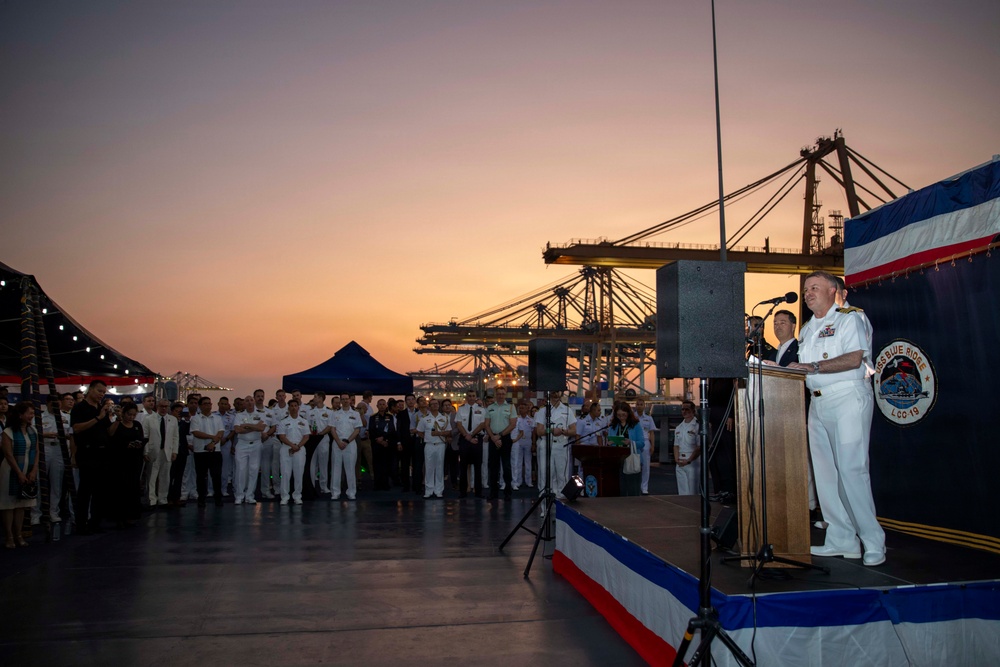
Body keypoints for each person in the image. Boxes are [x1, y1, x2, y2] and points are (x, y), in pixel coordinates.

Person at [789, 271, 886, 567]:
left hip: (847, 399)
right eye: (806, 289)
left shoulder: (850, 318)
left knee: (851, 471)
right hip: (817, 403)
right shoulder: (807, 329)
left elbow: (855, 358)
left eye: (814, 287)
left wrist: (812, 366)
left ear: (834, 291)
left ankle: (873, 541)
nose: (807, 293)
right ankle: (841, 539)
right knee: (826, 475)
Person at [71, 380, 113, 534]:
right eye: (99, 391)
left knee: (99, 491)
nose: (101, 394)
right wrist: (98, 418)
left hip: (103, 453)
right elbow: (76, 428)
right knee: (85, 491)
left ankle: (95, 522)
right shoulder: (79, 407)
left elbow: (109, 431)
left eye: (104, 392)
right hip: (87, 453)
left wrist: (117, 419)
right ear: (90, 390)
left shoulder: (102, 409)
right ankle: (81, 523)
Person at [2, 401, 39, 548]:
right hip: (11, 470)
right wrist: (18, 472)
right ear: (20, 415)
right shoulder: (8, 432)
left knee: (22, 505)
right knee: (9, 505)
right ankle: (9, 536)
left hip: (28, 469)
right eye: (29, 413)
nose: (32, 416)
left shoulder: (33, 431)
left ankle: (19, 534)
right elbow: (8, 454)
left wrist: (34, 470)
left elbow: (36, 451)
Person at [108, 402, 145, 527]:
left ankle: (131, 514)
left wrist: (138, 445)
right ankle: (119, 515)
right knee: (120, 488)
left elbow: (141, 437)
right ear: (124, 413)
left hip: (134, 459)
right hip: (120, 460)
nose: (131, 417)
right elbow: (110, 436)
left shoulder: (137, 425)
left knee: (133, 487)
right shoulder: (118, 424)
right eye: (129, 414)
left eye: (134, 415)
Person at [534, 391, 574, 499]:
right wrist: (551, 430)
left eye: (558, 391)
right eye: (553, 391)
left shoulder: (567, 410)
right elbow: (539, 431)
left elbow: (573, 430)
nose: (556, 394)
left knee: (562, 477)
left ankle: (561, 508)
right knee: (545, 477)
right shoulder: (542, 411)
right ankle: (544, 507)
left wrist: (564, 431)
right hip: (546, 444)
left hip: (561, 444)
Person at [143, 399, 179, 509]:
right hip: (153, 451)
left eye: (166, 406)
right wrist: (146, 451)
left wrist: (174, 451)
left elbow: (175, 437)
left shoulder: (173, 420)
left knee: (165, 476)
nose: (164, 409)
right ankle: (151, 499)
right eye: (162, 406)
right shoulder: (148, 419)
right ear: (157, 407)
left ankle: (163, 498)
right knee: (152, 476)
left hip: (167, 451)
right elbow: (145, 436)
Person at [190, 396, 225, 508]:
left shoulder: (217, 418)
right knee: (201, 477)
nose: (208, 405)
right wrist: (212, 437)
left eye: (209, 403)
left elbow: (220, 433)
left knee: (216, 476)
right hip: (200, 452)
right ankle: (201, 499)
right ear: (200, 406)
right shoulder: (196, 418)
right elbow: (196, 433)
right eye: (205, 403)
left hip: (215, 451)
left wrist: (213, 442)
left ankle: (218, 499)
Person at [232, 395, 266, 504]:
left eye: (251, 400)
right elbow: (237, 430)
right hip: (242, 444)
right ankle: (239, 495)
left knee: (254, 470)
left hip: (256, 444)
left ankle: (250, 495)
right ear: (244, 404)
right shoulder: (239, 415)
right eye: (247, 401)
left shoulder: (261, 414)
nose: (250, 402)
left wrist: (246, 425)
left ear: (254, 402)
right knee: (241, 470)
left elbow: (261, 428)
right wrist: (254, 427)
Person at [484, 386, 516, 502]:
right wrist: (493, 437)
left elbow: (513, 424)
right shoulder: (490, 407)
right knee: (493, 467)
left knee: (506, 466)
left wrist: (500, 436)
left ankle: (508, 492)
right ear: (495, 394)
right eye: (499, 393)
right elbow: (486, 424)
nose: (501, 395)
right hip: (493, 438)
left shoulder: (511, 407)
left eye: (503, 393)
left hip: (505, 438)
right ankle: (493, 492)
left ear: (505, 394)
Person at [275, 398, 309, 505]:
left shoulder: (304, 421)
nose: (294, 408)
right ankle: (284, 496)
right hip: (286, 448)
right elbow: (281, 436)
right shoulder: (283, 421)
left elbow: (306, 436)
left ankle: (297, 496)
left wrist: (297, 446)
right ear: (288, 408)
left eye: (295, 406)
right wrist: (292, 446)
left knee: (299, 473)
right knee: (285, 473)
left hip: (299, 448)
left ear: (298, 407)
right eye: (292, 406)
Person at [608, 402, 645, 497]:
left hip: (631, 458)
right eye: (619, 415)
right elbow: (610, 440)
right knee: (620, 488)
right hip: (618, 460)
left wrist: (630, 442)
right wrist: (610, 443)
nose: (621, 417)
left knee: (633, 488)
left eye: (623, 415)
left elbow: (641, 443)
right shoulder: (613, 426)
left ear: (628, 413)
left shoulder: (635, 425)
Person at [330, 393, 362, 500]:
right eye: (342, 399)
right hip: (337, 443)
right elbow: (332, 429)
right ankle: (335, 492)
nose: (345, 401)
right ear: (340, 401)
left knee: (350, 469)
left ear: (350, 400)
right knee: (336, 469)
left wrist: (347, 441)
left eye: (347, 399)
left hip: (350, 444)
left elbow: (357, 430)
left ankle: (351, 492)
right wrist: (338, 441)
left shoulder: (356, 414)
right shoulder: (335, 414)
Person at [455, 390, 486, 498]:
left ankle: (478, 492)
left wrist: (472, 434)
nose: (471, 398)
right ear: (466, 397)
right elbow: (459, 424)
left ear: (476, 397)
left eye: (473, 396)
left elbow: (482, 424)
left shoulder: (481, 409)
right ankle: (463, 492)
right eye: (469, 396)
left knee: (478, 467)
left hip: (477, 439)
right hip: (464, 439)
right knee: (463, 466)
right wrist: (467, 436)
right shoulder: (461, 409)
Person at [418, 398, 450, 498]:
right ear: (429, 406)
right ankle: (429, 490)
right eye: (432, 404)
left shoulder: (444, 418)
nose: (435, 405)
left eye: (436, 404)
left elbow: (449, 431)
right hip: (429, 445)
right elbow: (419, 431)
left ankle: (439, 490)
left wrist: (439, 433)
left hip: (440, 445)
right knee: (429, 468)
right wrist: (428, 438)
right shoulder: (424, 418)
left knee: (440, 468)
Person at [673, 401, 701, 495]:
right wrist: (677, 459)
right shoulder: (679, 427)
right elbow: (676, 445)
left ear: (693, 411)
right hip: (680, 460)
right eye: (683, 409)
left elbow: (699, 447)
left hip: (692, 461)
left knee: (693, 492)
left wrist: (689, 460)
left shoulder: (697, 426)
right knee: (682, 493)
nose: (684, 411)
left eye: (687, 409)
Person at [369, 399, 396, 491]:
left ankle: (385, 484)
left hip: (386, 443)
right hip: (376, 444)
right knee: (377, 464)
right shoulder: (372, 417)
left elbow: (392, 429)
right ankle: (377, 484)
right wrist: (379, 440)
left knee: (386, 464)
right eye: (380, 404)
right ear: (377, 406)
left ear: (386, 406)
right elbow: (371, 430)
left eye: (383, 404)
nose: (381, 406)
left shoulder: (390, 417)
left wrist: (384, 439)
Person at [634, 398, 658, 495]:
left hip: (645, 442)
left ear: (644, 406)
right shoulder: (632, 418)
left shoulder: (649, 418)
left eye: (641, 404)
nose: (639, 406)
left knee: (646, 466)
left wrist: (653, 445)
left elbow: (651, 433)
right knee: (634, 466)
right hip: (635, 442)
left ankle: (644, 487)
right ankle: (635, 486)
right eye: (638, 404)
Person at [167, 402, 189, 507]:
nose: (179, 413)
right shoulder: (168, 422)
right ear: (172, 412)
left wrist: (187, 420)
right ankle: (169, 497)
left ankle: (177, 497)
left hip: (183, 451)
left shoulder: (184, 423)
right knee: (170, 475)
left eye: (181, 412)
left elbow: (188, 432)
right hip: (172, 451)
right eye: (177, 411)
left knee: (179, 476)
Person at [510, 400, 535, 490]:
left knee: (528, 462)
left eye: (523, 408)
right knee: (518, 462)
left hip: (528, 442)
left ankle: (529, 481)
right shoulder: (517, 419)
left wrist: (533, 444)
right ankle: (518, 481)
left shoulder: (531, 420)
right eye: (520, 408)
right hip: (518, 442)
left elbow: (534, 433)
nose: (521, 410)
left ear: (527, 409)